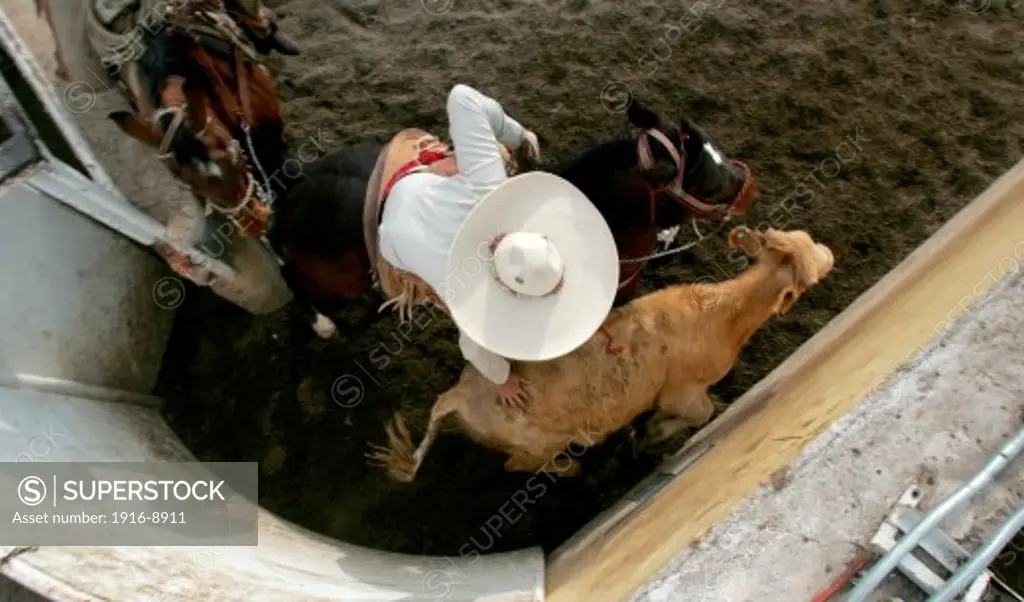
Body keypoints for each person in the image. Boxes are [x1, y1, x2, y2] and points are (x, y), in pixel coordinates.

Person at [377, 84, 620, 408]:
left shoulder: (489, 186)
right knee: (442, 300)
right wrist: (502, 381)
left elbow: (461, 96)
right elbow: (473, 348)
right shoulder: (465, 296)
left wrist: (516, 136)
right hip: (393, 239)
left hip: (411, 198)